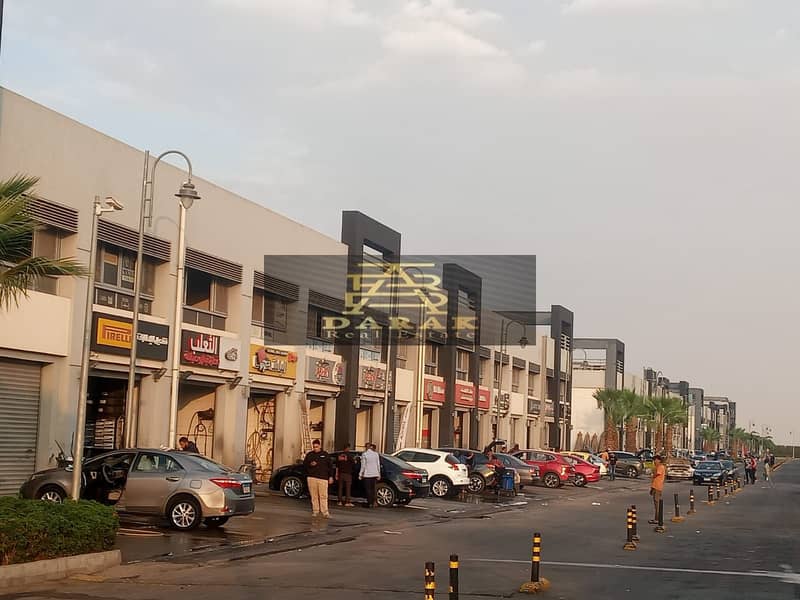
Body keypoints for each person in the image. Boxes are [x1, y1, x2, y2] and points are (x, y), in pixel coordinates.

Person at [303, 439, 333, 518]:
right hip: (312, 478)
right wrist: (310, 464)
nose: (315, 448)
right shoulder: (310, 455)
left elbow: (330, 466)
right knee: (314, 496)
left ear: (320, 446)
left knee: (323, 496)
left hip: (323, 478)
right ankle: (315, 511)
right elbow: (304, 464)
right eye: (314, 447)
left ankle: (325, 512)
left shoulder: (325, 454)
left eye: (316, 447)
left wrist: (330, 476)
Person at [359, 442, 381, 508]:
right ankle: (374, 502)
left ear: (366, 447)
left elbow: (363, 465)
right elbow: (378, 464)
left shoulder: (364, 454)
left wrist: (360, 474)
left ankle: (370, 502)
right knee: (373, 489)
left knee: (368, 489)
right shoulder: (376, 454)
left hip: (367, 474)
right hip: (375, 474)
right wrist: (379, 474)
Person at [648, 455, 666, 524]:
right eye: (654, 460)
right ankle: (656, 518)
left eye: (655, 460)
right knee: (655, 504)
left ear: (659, 460)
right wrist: (651, 488)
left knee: (657, 504)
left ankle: (657, 519)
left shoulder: (661, 467)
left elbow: (656, 474)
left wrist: (653, 471)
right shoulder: (657, 467)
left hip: (658, 487)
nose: (654, 462)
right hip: (654, 486)